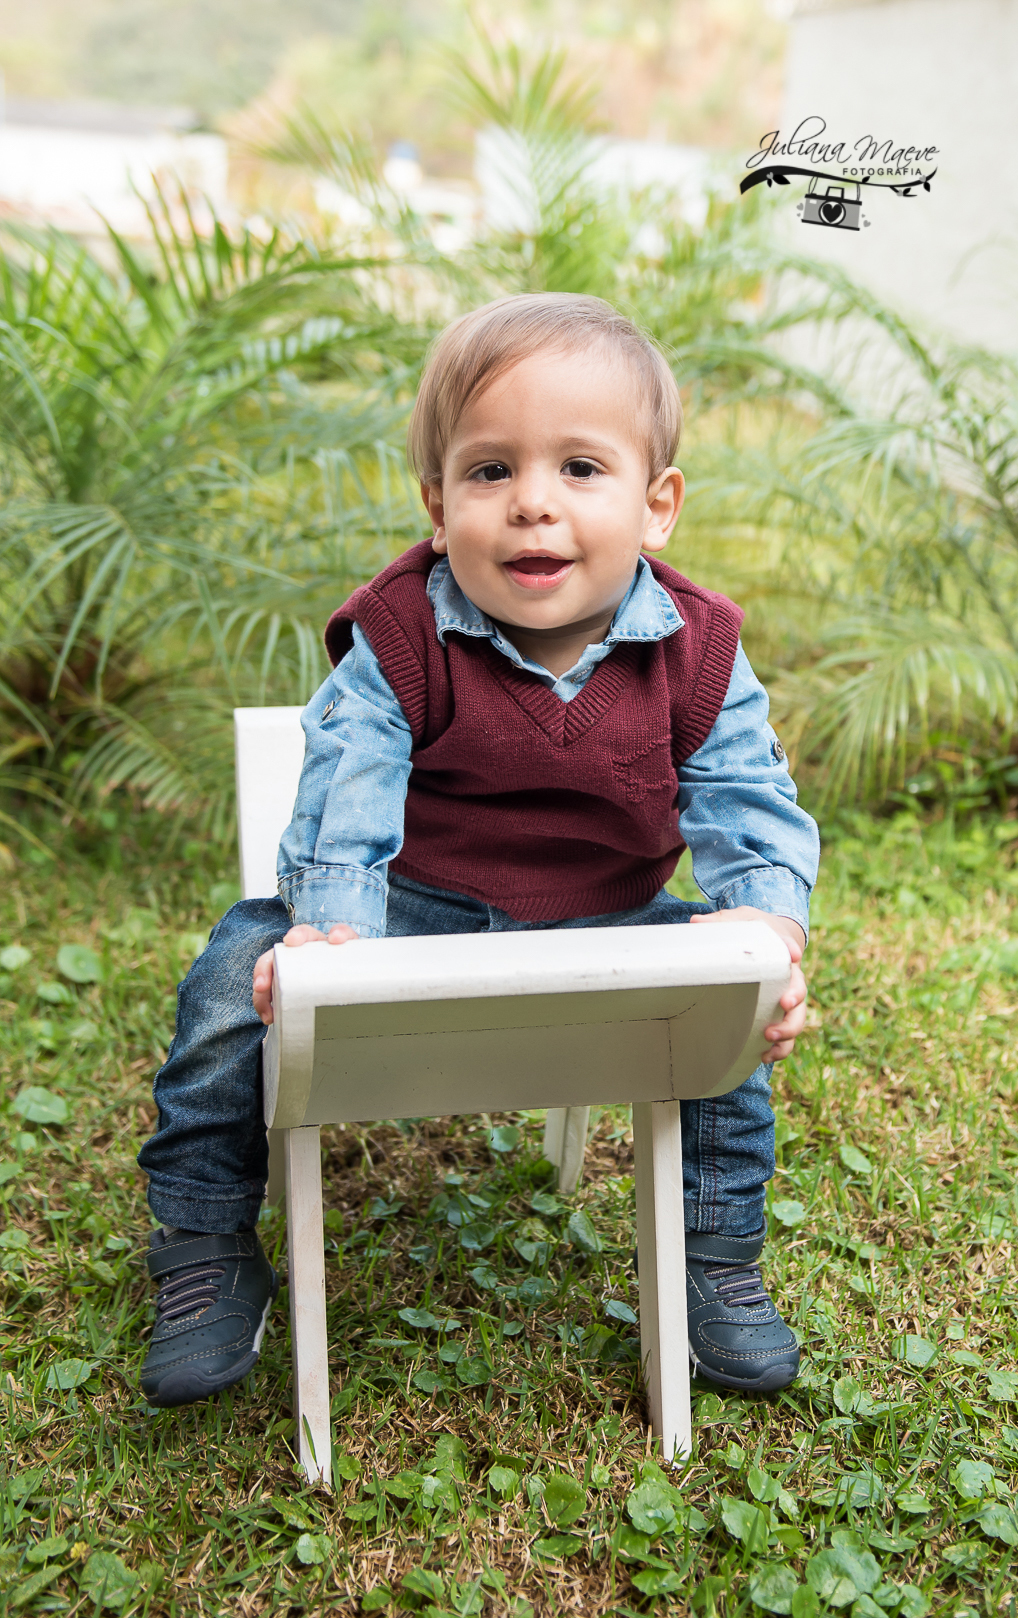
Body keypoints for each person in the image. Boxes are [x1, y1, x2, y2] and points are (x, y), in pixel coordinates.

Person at [136, 293, 818, 1410]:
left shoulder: (698, 648)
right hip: (416, 909)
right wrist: (332, 929)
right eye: (491, 470)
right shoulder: (403, 631)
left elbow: (748, 793)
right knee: (228, 977)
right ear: (439, 504)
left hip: (605, 915)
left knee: (726, 1012)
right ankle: (205, 1242)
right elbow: (349, 776)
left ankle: (714, 1254)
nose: (533, 503)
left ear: (657, 506)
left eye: (581, 469)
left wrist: (765, 929)